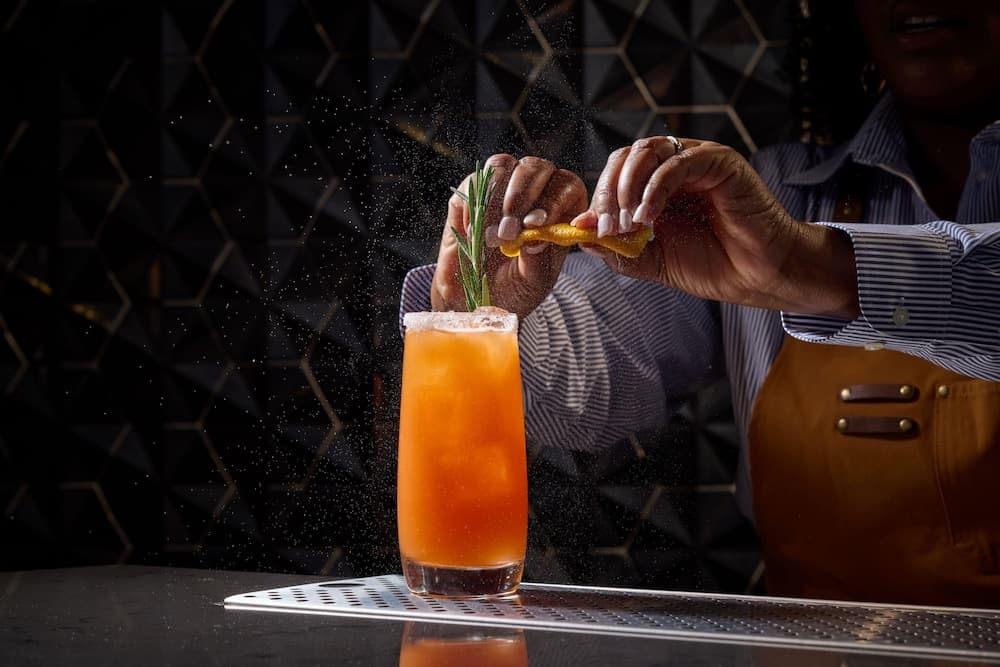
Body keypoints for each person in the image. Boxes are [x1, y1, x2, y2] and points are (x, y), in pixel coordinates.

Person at [401, 0, 1000, 606]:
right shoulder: (778, 194)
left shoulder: (782, 227)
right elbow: (589, 371)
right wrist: (488, 316)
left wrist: (808, 265)